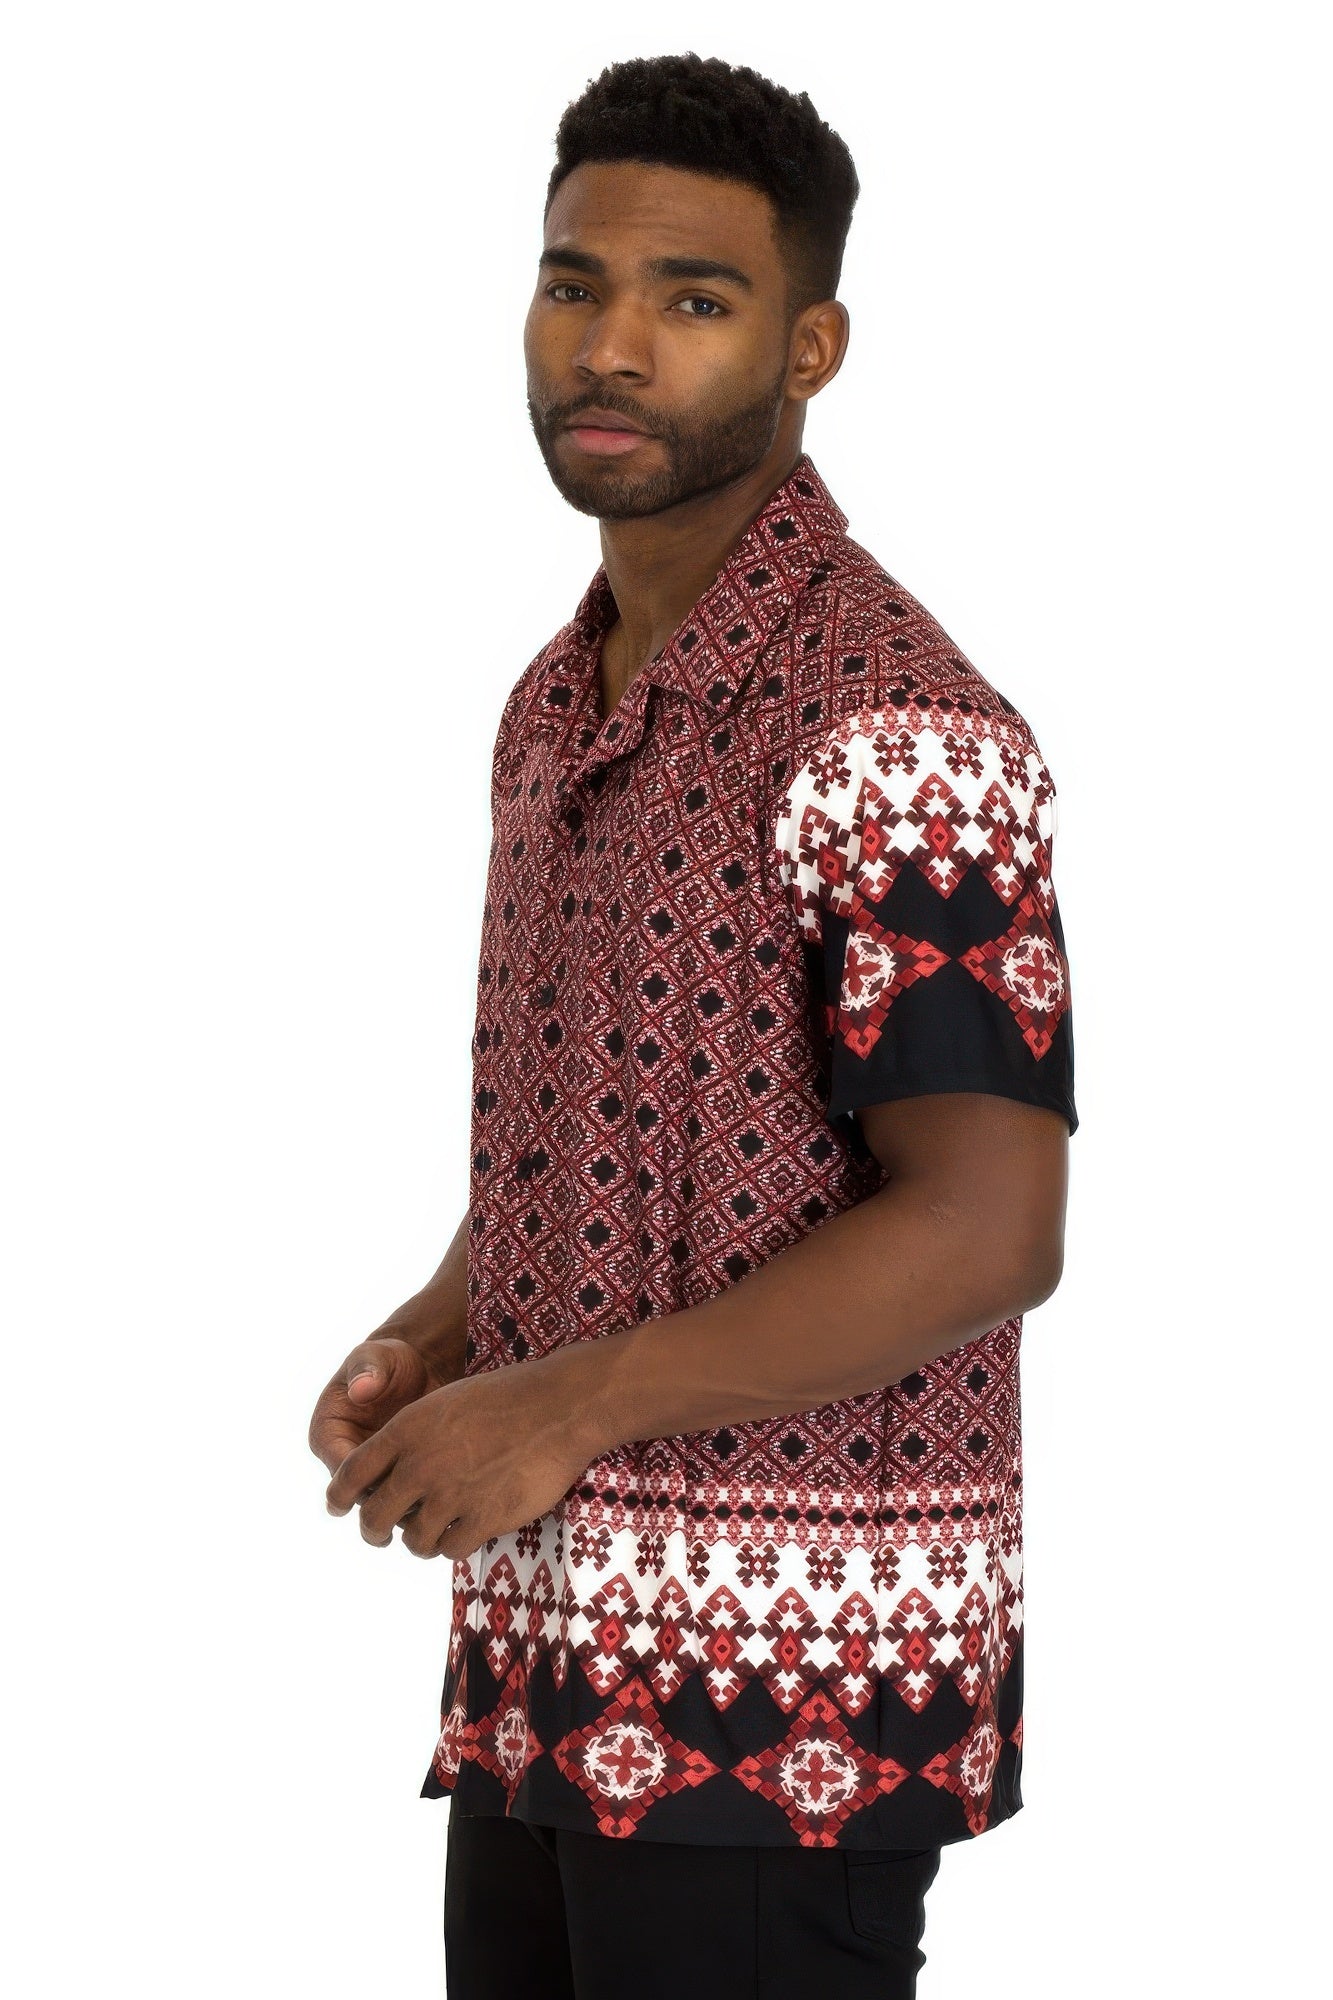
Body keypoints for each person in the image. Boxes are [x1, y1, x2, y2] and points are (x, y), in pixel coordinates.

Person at [309, 50, 1077, 2000]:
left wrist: (562, 1404)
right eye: (574, 284)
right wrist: (445, 1330)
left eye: (695, 297)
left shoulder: (895, 727)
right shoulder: (557, 703)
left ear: (810, 346)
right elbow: (595, 1125)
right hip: (550, 1659)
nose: (613, 346)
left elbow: (986, 1227)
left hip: (779, 1699)